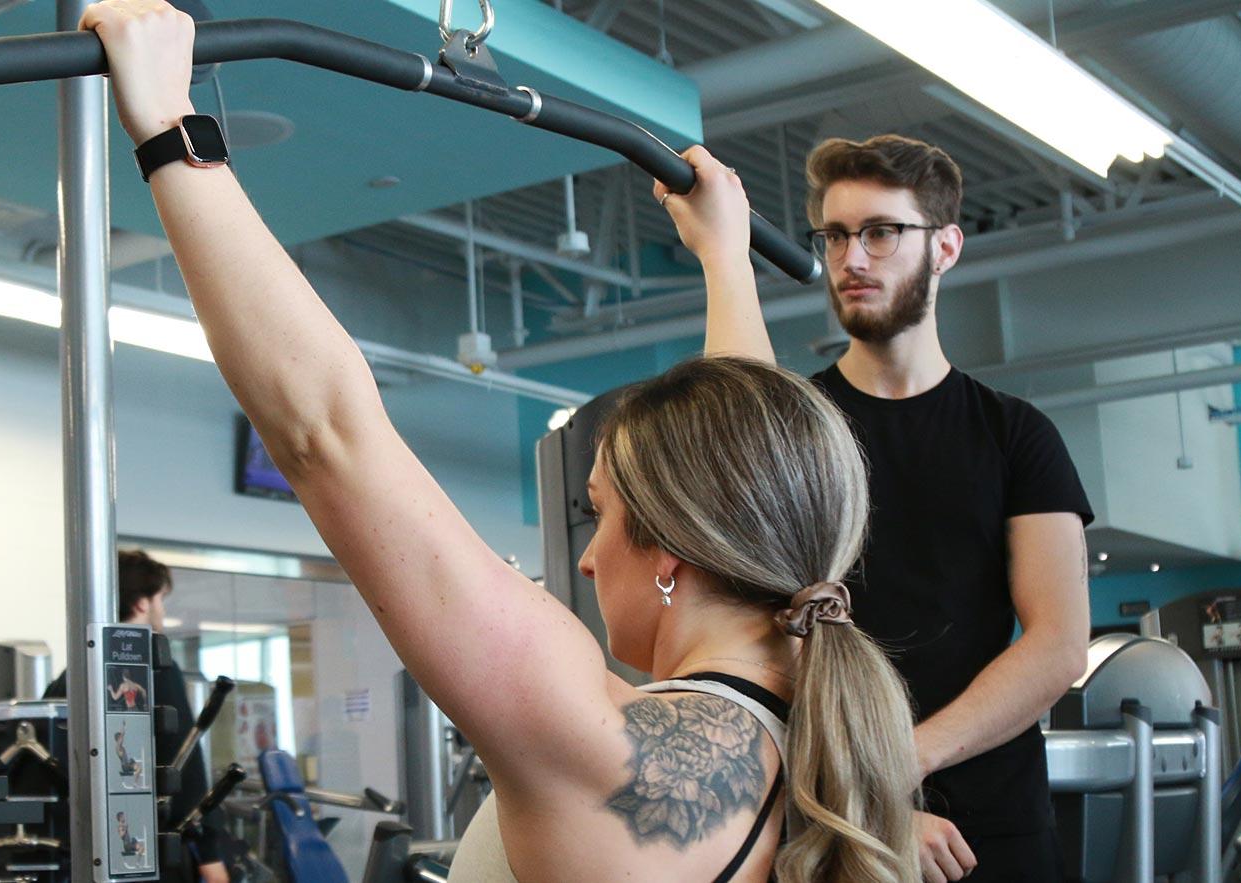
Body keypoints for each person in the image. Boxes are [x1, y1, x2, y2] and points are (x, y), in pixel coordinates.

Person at [84, 2, 924, 879]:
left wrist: (168, 129)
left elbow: (328, 434)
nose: (590, 559)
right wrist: (724, 257)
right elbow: (750, 457)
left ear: (675, 551)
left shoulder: (596, 744)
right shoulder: (828, 745)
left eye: (598, 514)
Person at [686, 133, 1093, 881]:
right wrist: (868, 797)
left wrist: (905, 761)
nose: (853, 258)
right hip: (829, 822)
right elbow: (767, 631)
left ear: (945, 247)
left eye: (881, 232)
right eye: (836, 235)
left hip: (995, 831)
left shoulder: (1016, 435)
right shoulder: (802, 426)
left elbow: (1059, 643)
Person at [47, 550, 229, 883]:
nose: (162, 609)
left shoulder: (74, 673)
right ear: (142, 603)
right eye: (160, 599)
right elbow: (182, 759)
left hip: (82, 849)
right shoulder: (155, 662)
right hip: (154, 849)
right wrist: (210, 852)